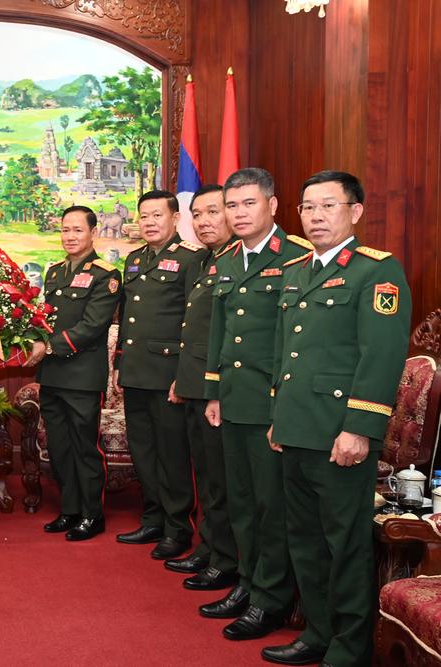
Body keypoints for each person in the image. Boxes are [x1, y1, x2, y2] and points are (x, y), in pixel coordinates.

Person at [261, 171, 410, 667]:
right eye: (308, 207)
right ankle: (318, 634)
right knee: (304, 540)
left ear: (355, 211)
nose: (316, 216)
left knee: (344, 544)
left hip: (340, 432)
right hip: (296, 428)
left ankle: (349, 649)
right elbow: (285, 352)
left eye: (328, 206)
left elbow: (381, 357)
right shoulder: (296, 270)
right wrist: (279, 418)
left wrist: (359, 429)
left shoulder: (376, 272)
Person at [200, 167, 310, 641]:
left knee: (271, 507)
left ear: (273, 205)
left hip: (273, 404)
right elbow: (220, 331)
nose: (238, 213)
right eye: (232, 205)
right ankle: (246, 583)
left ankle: (270, 599)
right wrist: (213, 390)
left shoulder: (298, 257)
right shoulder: (227, 260)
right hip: (234, 399)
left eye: (249, 203)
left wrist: (284, 404)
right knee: (241, 501)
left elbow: (300, 342)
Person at [114, 190, 208, 560]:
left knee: (172, 455)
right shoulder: (135, 258)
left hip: (168, 374)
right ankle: (152, 518)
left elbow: (195, 321)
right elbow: (128, 317)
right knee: (143, 451)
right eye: (144, 216)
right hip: (135, 371)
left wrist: (184, 376)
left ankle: (178, 528)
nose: (149, 222)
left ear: (175, 218)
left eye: (157, 215)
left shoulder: (192, 258)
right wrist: (120, 364)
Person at [28, 205, 121, 541]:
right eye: (65, 230)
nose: (70, 236)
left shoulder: (106, 275)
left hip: (82, 376)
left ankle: (92, 515)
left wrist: (49, 346)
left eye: (77, 230)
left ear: (93, 233)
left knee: (84, 447)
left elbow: (92, 326)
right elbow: (45, 319)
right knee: (60, 447)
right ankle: (69, 510)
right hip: (52, 375)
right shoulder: (55, 272)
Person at [166, 185, 239, 590]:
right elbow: (195, 329)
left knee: (222, 480)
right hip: (196, 382)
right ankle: (210, 548)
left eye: (213, 211)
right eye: (197, 214)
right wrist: (183, 377)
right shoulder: (208, 260)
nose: (204, 221)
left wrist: (213, 387)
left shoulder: (238, 261)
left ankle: (224, 559)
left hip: (221, 389)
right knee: (207, 476)